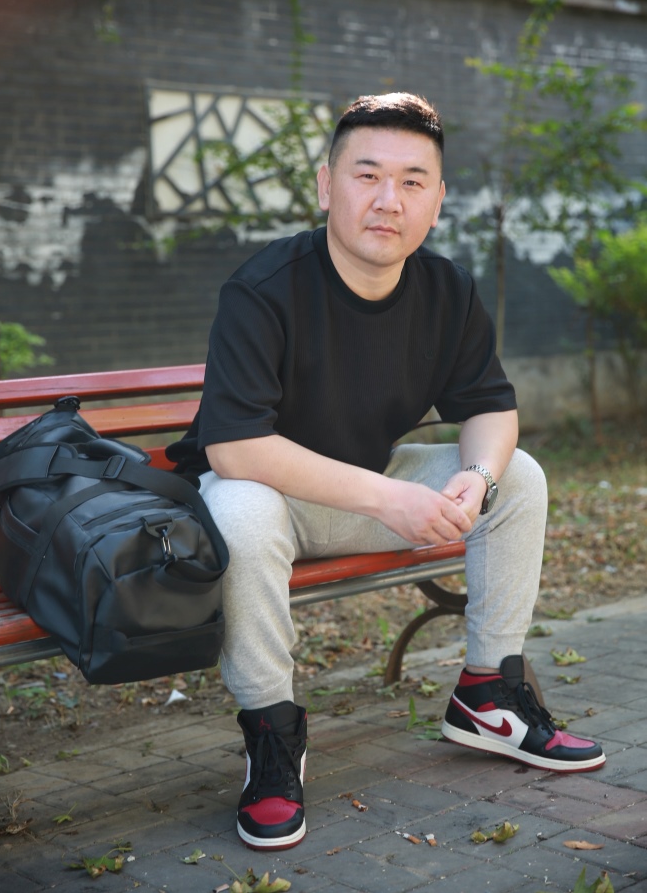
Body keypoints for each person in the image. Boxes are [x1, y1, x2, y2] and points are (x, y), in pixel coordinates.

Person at [169, 92, 605, 853]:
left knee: (519, 476)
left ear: (437, 199)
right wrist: (388, 497)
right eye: (366, 175)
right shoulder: (264, 288)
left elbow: (491, 408)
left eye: (411, 181)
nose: (387, 200)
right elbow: (235, 448)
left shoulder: (446, 288)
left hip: (371, 485)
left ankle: (488, 694)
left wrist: (477, 477)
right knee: (238, 504)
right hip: (275, 500)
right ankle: (272, 735)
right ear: (325, 185)